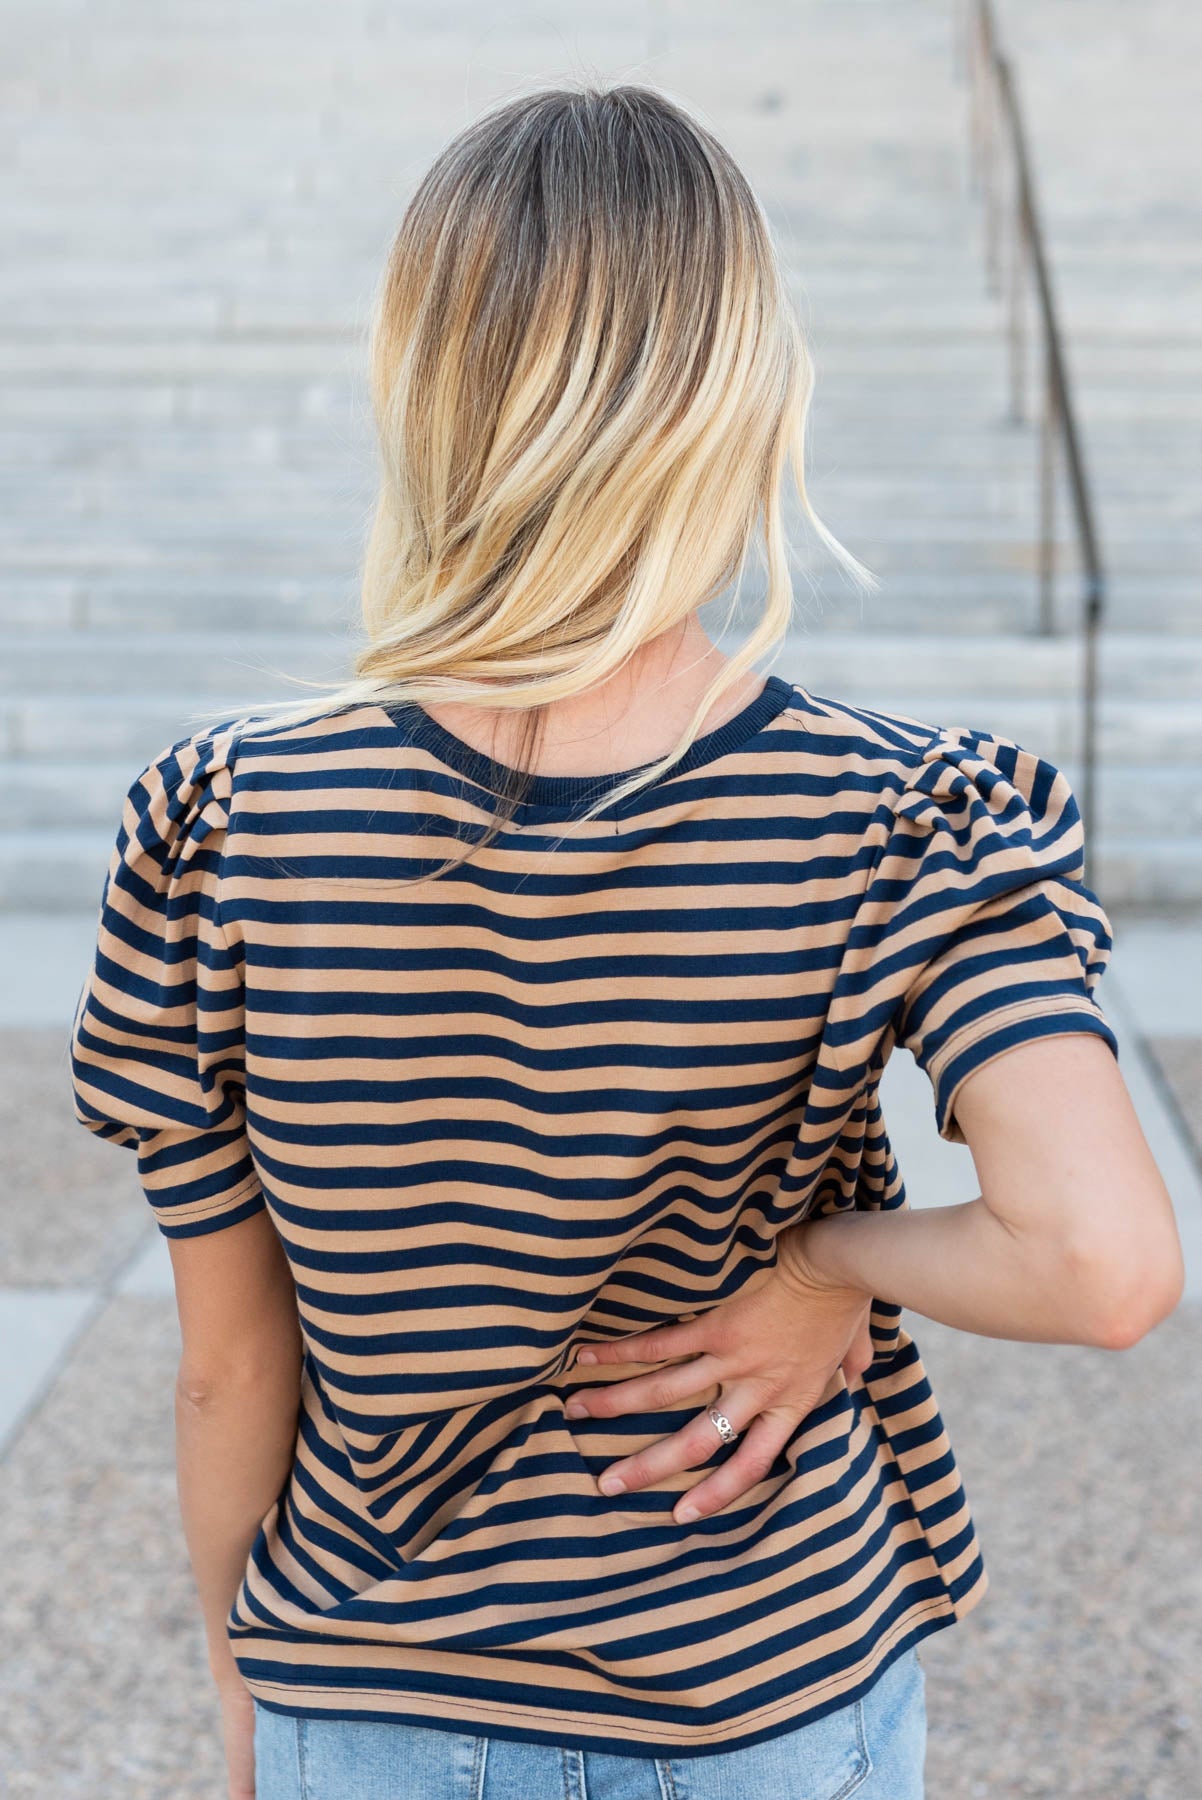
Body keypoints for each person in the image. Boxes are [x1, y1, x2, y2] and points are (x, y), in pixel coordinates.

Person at [67, 83, 1183, 1800]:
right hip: (757, 1695)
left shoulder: (215, 822)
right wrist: (821, 1264)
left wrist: (244, 1692)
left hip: (363, 1694)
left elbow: (230, 1369)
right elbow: (1100, 1264)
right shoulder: (906, 814)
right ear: (742, 395)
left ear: (423, 385)